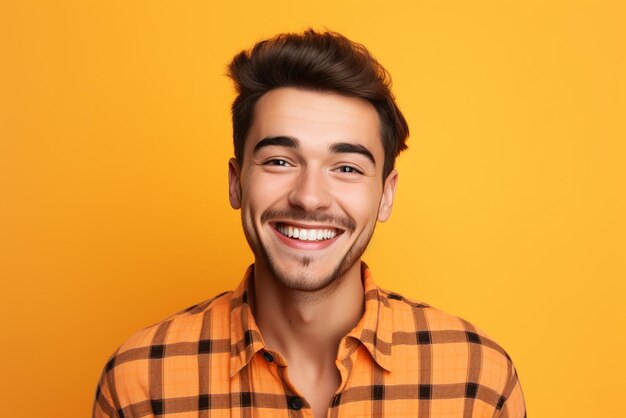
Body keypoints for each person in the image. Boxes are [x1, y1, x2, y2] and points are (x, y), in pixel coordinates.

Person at [93, 29, 526, 418]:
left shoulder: (478, 383)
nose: (310, 196)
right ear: (235, 182)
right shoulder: (142, 381)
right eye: (280, 161)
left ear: (386, 194)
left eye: (347, 168)